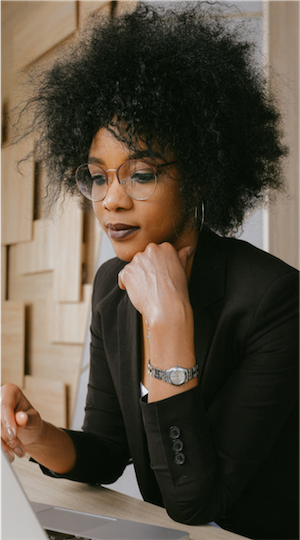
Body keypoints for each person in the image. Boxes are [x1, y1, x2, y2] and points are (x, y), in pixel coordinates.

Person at [1, 3, 299, 540]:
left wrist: (168, 324)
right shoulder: (111, 290)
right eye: (97, 176)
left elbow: (197, 502)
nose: (111, 200)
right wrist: (37, 435)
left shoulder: (274, 299)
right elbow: (108, 453)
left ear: (202, 177)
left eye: (140, 173)